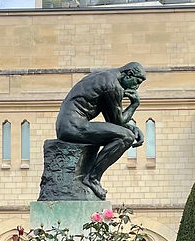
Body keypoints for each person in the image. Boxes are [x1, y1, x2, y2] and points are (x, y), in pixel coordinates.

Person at [55, 61, 146, 199]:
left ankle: (91, 178)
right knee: (125, 138)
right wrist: (134, 104)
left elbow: (114, 121)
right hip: (73, 126)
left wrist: (131, 127)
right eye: (137, 82)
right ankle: (92, 178)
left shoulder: (105, 76)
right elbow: (117, 122)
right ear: (128, 74)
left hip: (68, 124)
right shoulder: (112, 85)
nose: (136, 87)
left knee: (125, 134)